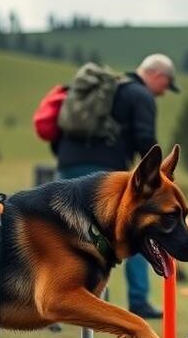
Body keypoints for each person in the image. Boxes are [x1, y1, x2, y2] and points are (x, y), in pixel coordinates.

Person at [54, 53, 180, 319]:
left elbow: (60, 129)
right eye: (166, 86)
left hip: (67, 165)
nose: (163, 93)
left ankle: (59, 299)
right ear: (158, 75)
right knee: (136, 227)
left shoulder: (106, 90)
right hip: (104, 173)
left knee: (65, 235)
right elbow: (147, 143)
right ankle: (138, 301)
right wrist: (158, 180)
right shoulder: (140, 95)